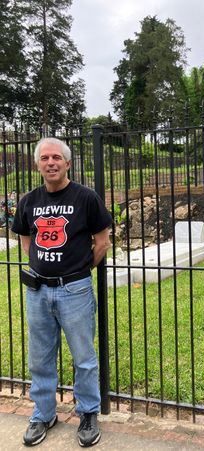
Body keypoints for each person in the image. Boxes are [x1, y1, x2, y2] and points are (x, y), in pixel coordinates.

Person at [12, 137, 113, 447]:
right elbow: (26, 239)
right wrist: (41, 265)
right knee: (40, 357)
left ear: (68, 163)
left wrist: (79, 270)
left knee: (83, 356)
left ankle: (88, 413)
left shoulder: (86, 198)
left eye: (57, 157)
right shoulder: (29, 200)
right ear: (38, 164)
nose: (51, 162)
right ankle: (43, 414)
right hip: (38, 290)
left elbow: (102, 241)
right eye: (45, 158)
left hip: (75, 289)